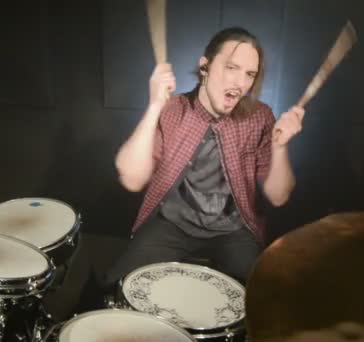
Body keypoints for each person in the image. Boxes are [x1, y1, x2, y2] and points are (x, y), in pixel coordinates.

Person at [106, 27, 304, 286]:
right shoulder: (173, 109)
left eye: (249, 74)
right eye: (231, 67)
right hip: (172, 224)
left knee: (260, 297)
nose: (240, 82)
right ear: (205, 67)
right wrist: (155, 106)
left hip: (233, 230)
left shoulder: (260, 116)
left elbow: (279, 196)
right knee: (118, 285)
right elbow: (132, 179)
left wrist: (280, 147)